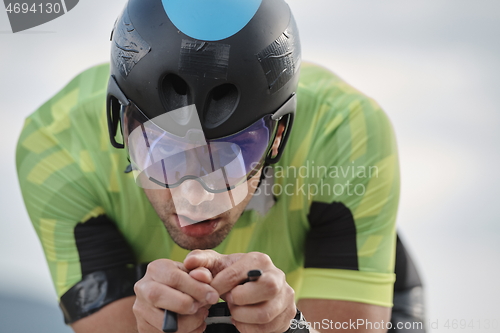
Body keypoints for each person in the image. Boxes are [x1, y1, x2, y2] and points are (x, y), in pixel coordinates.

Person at [16, 0, 425, 332]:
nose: (195, 195)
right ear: (118, 121)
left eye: (233, 155)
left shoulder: (346, 133)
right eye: (162, 150)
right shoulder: (56, 147)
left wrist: (294, 327)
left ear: (279, 135)